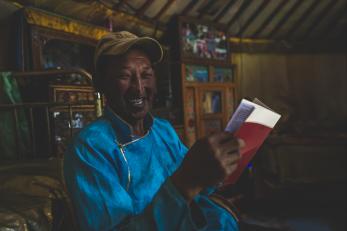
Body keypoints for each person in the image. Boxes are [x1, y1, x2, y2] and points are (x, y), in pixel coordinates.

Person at [64, 31, 244, 231]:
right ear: (100, 83)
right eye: (125, 76)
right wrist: (186, 181)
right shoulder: (90, 148)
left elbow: (201, 185)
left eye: (146, 75)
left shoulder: (163, 130)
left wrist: (219, 168)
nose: (139, 88)